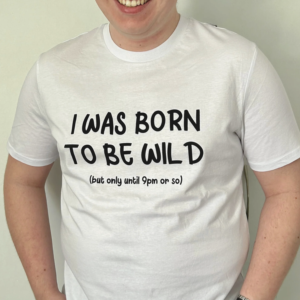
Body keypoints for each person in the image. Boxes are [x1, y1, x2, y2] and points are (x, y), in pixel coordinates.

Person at [3, 1, 300, 300]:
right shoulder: (52, 72)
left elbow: (288, 189)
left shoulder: (239, 63)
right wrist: (44, 293)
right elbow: (22, 180)